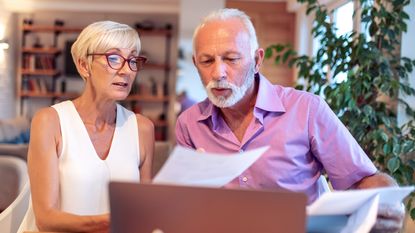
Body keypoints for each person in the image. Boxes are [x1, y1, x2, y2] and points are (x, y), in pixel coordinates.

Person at [175, 8, 405, 232]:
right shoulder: (188, 124)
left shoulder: (306, 109)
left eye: (231, 59)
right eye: (206, 61)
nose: (218, 73)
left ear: (257, 60)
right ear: (196, 64)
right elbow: (188, 201)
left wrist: (388, 202)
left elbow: (362, 180)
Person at [18, 21, 154, 233]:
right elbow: (45, 219)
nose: (127, 70)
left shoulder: (143, 128)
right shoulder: (49, 121)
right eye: (114, 58)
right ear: (84, 65)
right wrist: (113, 221)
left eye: (133, 60)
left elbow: (146, 209)